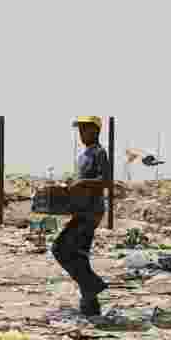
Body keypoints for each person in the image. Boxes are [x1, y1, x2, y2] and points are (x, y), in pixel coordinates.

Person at [52, 116, 110, 316]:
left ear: (95, 131)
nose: (81, 134)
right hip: (82, 210)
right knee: (80, 256)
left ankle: (93, 284)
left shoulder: (99, 153)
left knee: (59, 248)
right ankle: (90, 308)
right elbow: (82, 182)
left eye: (84, 129)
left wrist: (82, 183)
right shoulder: (83, 155)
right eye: (80, 130)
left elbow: (106, 181)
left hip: (91, 212)